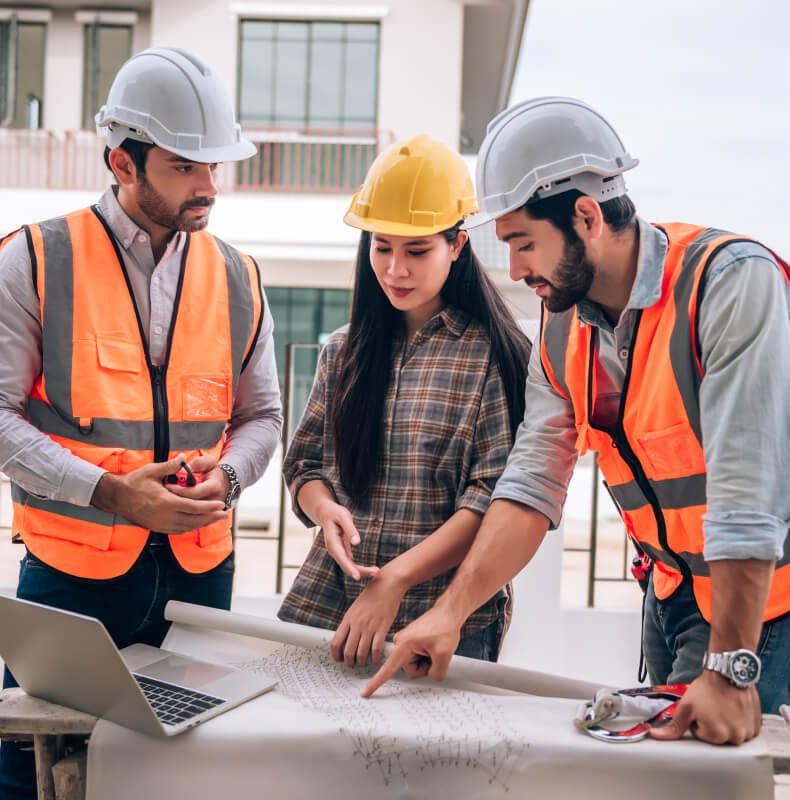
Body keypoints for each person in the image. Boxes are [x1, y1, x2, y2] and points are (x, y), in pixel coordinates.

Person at [363, 97, 789, 746]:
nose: (514, 269)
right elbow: (531, 485)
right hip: (674, 597)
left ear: (585, 216)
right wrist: (450, 614)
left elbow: (744, 495)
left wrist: (731, 670)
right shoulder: (562, 326)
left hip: (766, 606)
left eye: (524, 243)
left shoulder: (728, 284)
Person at [0, 47, 282, 798]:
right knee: (29, 774)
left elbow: (262, 417)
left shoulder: (238, 275)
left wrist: (227, 477)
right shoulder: (34, 260)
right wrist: (113, 493)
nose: (208, 186)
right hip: (69, 581)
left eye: (214, 166)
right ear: (123, 163)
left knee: (179, 775)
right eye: (186, 166)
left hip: (200, 575)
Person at [277, 135, 532, 667]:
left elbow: (490, 501)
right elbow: (303, 465)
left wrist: (396, 578)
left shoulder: (494, 358)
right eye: (381, 247)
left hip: (442, 620)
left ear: (457, 246)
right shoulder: (343, 351)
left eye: (417, 251)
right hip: (333, 606)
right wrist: (325, 512)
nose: (395, 270)